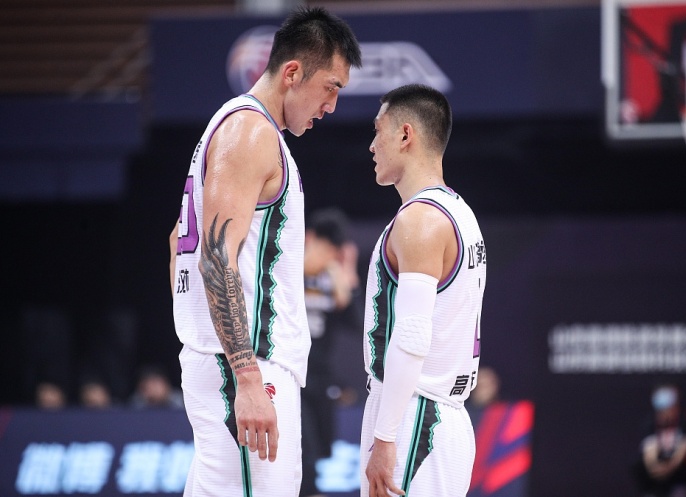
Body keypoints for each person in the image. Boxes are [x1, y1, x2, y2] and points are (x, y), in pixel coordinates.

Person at [168, 7, 361, 497]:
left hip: (231, 362)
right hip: (247, 366)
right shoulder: (250, 132)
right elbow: (215, 256)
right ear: (292, 73)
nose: (331, 106)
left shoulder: (242, 130)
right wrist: (246, 374)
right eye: (331, 87)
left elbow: (177, 241)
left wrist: (199, 337)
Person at [360, 84, 487, 497]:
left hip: (416, 418)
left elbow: (413, 336)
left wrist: (385, 435)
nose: (371, 146)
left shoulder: (420, 220)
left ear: (405, 135)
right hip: (438, 415)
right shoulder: (459, 211)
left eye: (378, 131)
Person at [301, 207, 360, 497]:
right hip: (292, 374)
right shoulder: (286, 270)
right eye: (323, 249)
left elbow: (357, 323)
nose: (326, 258)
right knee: (304, 449)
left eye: (332, 252)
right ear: (309, 238)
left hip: (321, 377)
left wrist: (348, 277)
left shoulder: (332, 280)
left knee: (323, 447)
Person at [633, 383, 686, 497]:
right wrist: (657, 469)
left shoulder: (684, 423)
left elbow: (681, 453)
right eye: (662, 410)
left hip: (678, 479)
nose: (666, 413)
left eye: (670, 408)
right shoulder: (649, 425)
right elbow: (650, 457)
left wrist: (669, 467)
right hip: (654, 482)